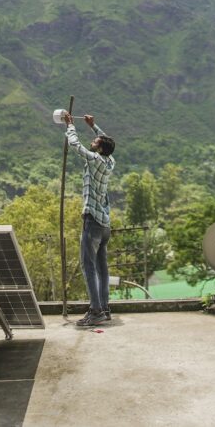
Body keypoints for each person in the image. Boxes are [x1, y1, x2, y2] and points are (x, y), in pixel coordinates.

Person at [63, 112, 116, 326]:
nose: (92, 142)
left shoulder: (94, 159)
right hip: (105, 225)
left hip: (92, 221)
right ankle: (105, 308)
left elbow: (76, 146)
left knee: (88, 265)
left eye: (95, 141)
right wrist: (94, 126)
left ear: (99, 148)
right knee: (102, 268)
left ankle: (95, 311)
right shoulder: (110, 161)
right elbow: (107, 142)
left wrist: (70, 126)